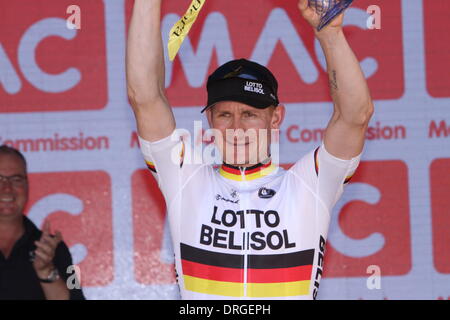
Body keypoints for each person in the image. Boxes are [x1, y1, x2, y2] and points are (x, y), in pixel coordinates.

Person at [126, 0, 373, 299]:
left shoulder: (310, 186)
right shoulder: (186, 179)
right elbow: (144, 96)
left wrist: (329, 33)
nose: (237, 128)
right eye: (225, 115)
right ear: (209, 120)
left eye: (250, 114)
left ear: (276, 118)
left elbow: (354, 116)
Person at [0, 145, 85, 300]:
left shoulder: (54, 249)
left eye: (16, 179)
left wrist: (47, 271)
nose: (7, 188)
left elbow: (76, 297)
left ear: (27, 185)